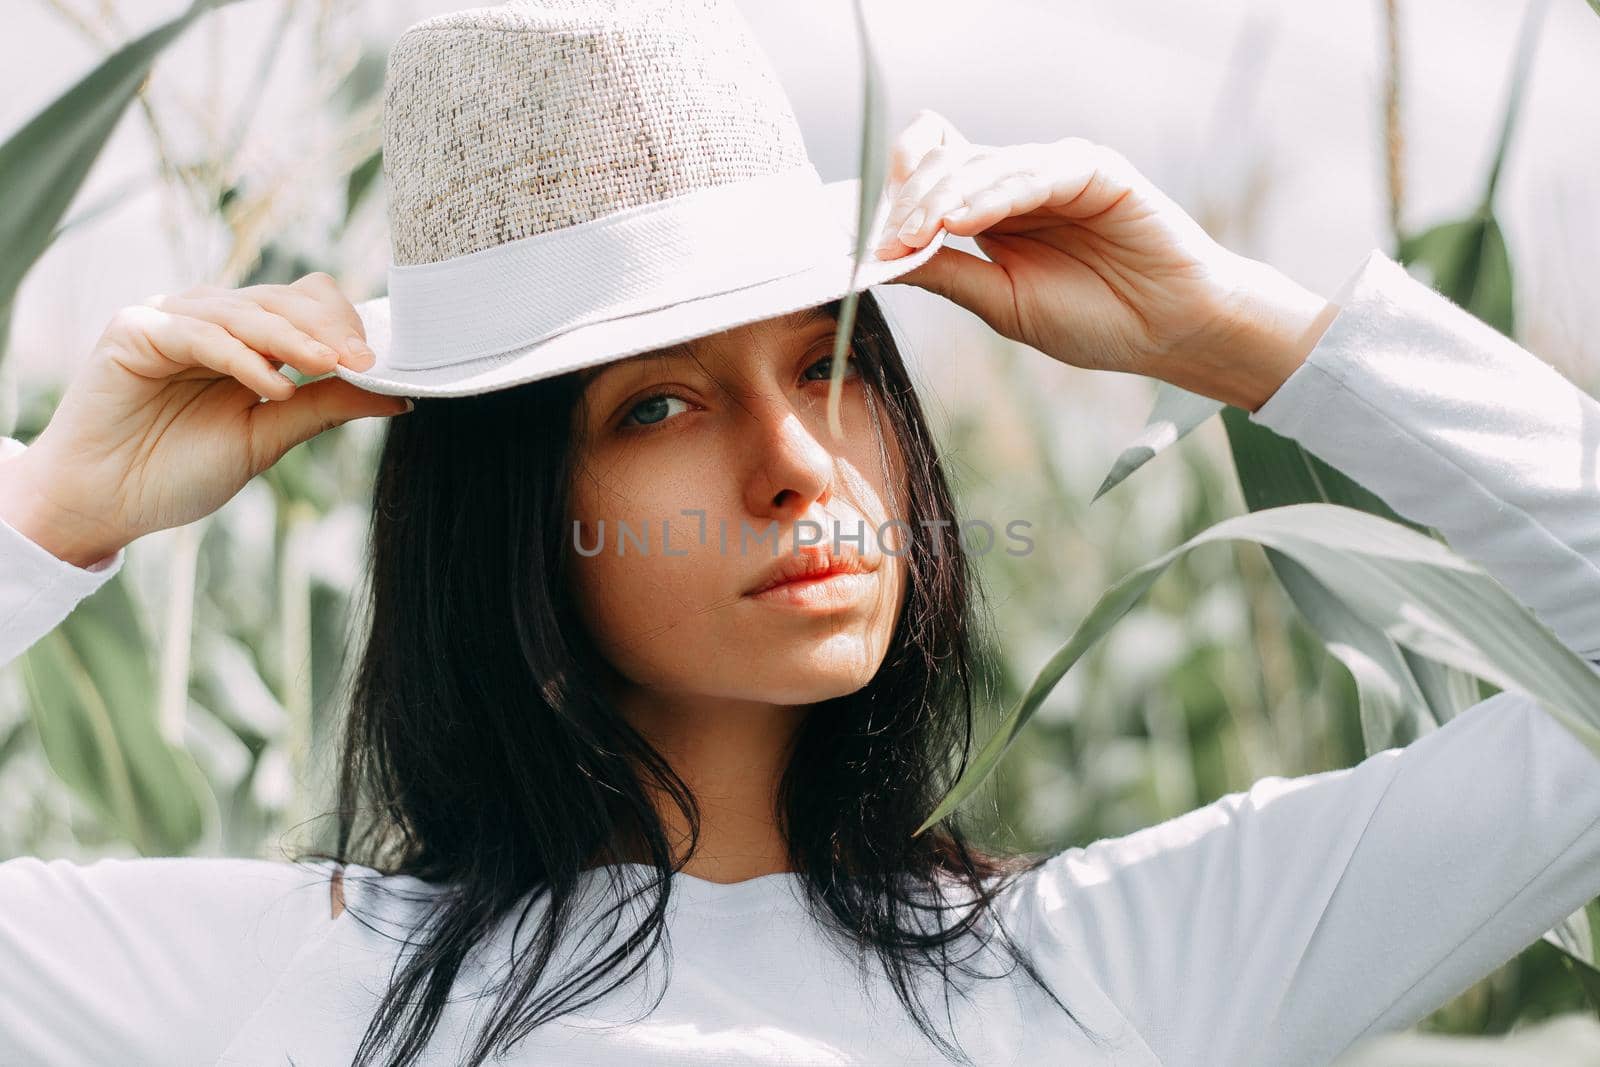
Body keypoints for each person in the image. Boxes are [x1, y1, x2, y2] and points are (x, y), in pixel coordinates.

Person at [2, 1, 1598, 1065]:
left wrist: (1236, 329)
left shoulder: (1119, 959)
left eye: (831, 364)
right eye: (656, 407)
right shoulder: (278, 987)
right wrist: (55, 510)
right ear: (512, 523)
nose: (794, 463)